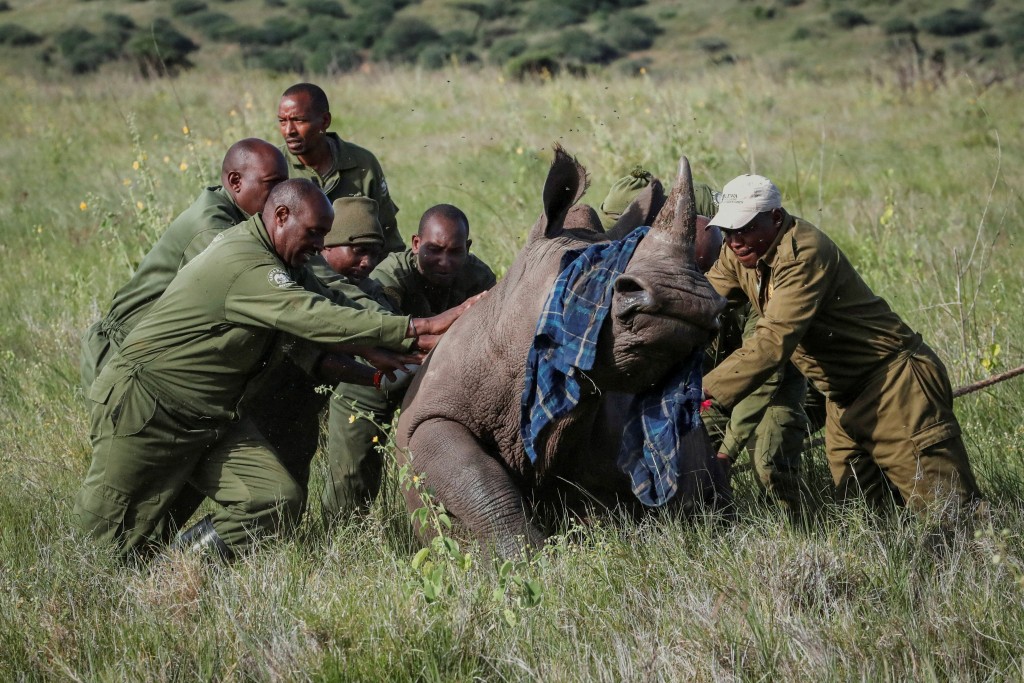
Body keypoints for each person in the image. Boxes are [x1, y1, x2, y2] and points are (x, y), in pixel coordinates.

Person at [73, 180, 461, 561]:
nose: (319, 245)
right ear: (280, 216)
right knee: (102, 546)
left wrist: (380, 348)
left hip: (212, 417)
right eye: (313, 233)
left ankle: (178, 571)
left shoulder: (286, 261)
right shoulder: (246, 262)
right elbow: (312, 315)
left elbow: (332, 300)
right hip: (148, 406)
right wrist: (418, 328)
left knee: (274, 500)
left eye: (325, 235)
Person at [702, 173, 982, 514]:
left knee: (949, 512)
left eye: (744, 228)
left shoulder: (802, 252)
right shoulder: (740, 254)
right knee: (865, 514)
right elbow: (702, 300)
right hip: (841, 397)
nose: (734, 240)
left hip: (894, 386)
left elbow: (773, 342)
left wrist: (701, 390)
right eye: (727, 231)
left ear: (775, 218)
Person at [602, 169, 818, 516]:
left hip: (771, 389)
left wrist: (727, 451)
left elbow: (768, 367)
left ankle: (794, 530)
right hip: (713, 393)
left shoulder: (748, 271)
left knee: (769, 464)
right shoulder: (660, 282)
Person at [323, 204, 496, 521]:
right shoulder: (390, 275)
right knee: (351, 482)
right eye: (434, 250)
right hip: (372, 376)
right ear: (416, 244)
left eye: (455, 252)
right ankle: (342, 538)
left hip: (441, 377)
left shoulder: (479, 278)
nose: (444, 262)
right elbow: (385, 334)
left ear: (468, 249)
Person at [79, 138, 289, 392]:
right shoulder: (212, 229)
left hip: (157, 352)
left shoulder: (241, 212)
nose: (281, 194)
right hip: (127, 357)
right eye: (272, 184)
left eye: (284, 183)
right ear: (236, 182)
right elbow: (266, 292)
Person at [277, 82, 404, 253]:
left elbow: (387, 232)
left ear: (325, 121)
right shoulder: (274, 166)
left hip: (357, 271)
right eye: (282, 121)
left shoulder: (362, 163)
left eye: (299, 120)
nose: (289, 131)